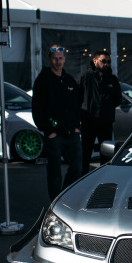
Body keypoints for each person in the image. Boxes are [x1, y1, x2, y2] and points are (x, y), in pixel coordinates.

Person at [32, 45, 83, 202]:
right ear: (49, 59)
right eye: (55, 58)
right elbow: (37, 109)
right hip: (54, 135)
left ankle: (64, 197)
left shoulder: (68, 80)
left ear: (64, 59)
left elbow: (77, 103)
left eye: (61, 58)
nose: (58, 61)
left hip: (71, 134)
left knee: (77, 168)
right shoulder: (43, 80)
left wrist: (76, 126)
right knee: (55, 173)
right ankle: (55, 204)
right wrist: (48, 131)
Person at [79, 51, 123, 174]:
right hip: (88, 121)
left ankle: (103, 177)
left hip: (105, 122)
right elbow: (77, 97)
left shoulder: (112, 79)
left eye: (108, 62)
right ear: (95, 61)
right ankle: (83, 178)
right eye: (103, 61)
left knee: (106, 153)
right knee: (85, 153)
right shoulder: (85, 76)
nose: (106, 64)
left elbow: (117, 99)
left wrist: (107, 108)